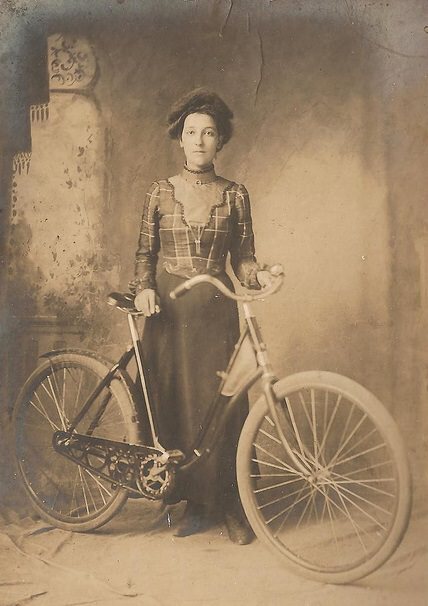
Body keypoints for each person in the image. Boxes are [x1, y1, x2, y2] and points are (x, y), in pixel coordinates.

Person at [129, 89, 271, 545]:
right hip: (168, 315)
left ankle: (230, 504)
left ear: (221, 140)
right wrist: (145, 288)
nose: (199, 141)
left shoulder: (236, 195)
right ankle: (193, 502)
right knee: (179, 404)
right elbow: (144, 255)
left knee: (223, 409)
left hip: (215, 313)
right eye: (191, 132)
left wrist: (258, 273)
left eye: (209, 133)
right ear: (180, 138)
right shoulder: (158, 192)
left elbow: (244, 258)